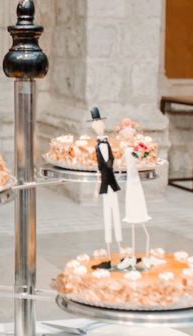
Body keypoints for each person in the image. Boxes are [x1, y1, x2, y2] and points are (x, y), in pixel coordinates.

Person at [90, 107, 124, 270]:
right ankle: (110, 253)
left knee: (116, 214)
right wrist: (96, 189)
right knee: (107, 216)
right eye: (95, 123)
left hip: (112, 182)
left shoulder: (107, 143)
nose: (98, 125)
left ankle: (121, 249)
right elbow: (99, 169)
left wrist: (118, 166)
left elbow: (113, 160)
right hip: (104, 183)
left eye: (99, 122)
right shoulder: (97, 146)